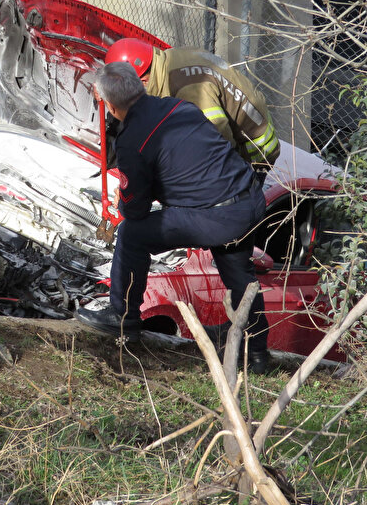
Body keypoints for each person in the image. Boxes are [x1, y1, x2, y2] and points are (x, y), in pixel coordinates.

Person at [76, 61, 272, 374]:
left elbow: (135, 211)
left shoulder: (132, 140)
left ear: (110, 107)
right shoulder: (180, 107)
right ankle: (258, 355)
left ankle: (122, 318)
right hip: (248, 201)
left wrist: (126, 199)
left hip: (217, 216)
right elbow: (190, 167)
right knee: (239, 274)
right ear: (140, 88)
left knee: (132, 235)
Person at [105, 38, 280, 170]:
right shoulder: (169, 61)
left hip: (254, 151)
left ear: (143, 81)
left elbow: (216, 142)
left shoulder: (190, 88)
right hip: (239, 137)